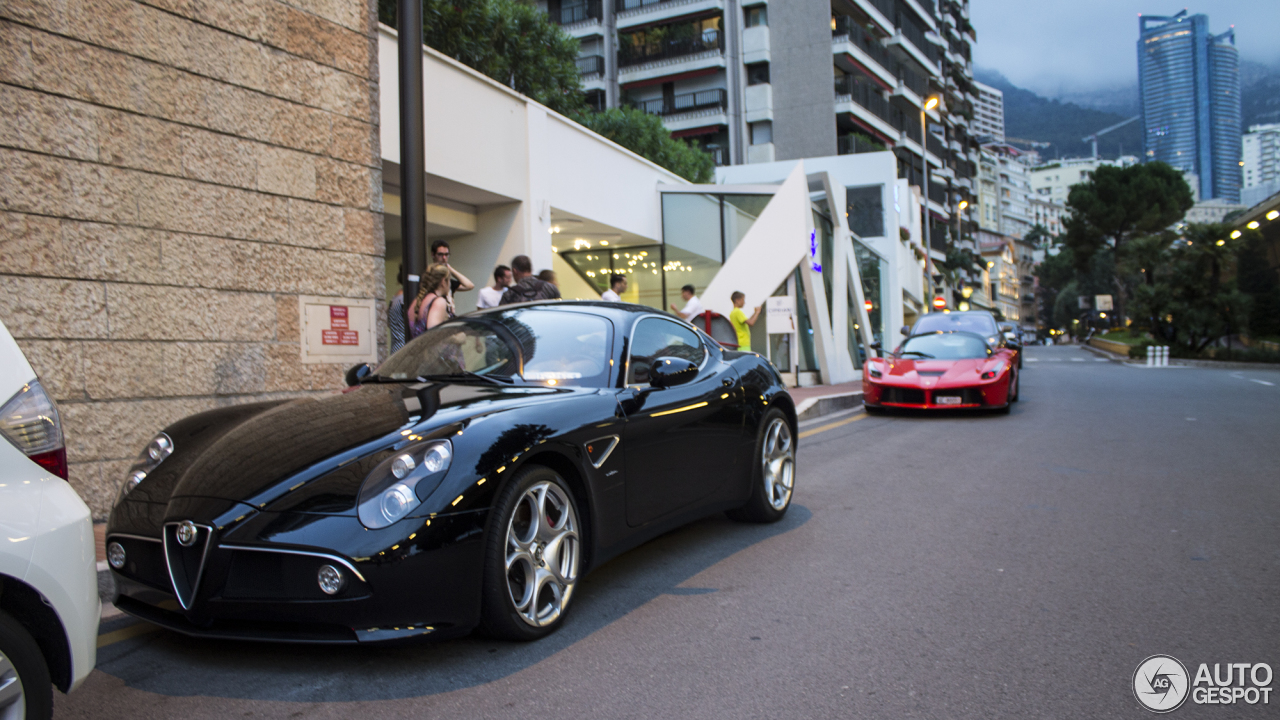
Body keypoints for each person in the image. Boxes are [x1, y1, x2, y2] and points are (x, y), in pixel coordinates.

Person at [407, 263, 454, 338]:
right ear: (443, 281)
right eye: (449, 280)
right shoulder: (438, 302)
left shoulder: (416, 302)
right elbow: (433, 332)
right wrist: (455, 338)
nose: (450, 284)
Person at [431, 240, 475, 309]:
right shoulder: (428, 279)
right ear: (433, 255)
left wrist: (450, 269)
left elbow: (469, 285)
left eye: (446, 255)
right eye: (440, 254)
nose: (444, 258)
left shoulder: (448, 281)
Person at [388, 263, 407, 354]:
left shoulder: (394, 298)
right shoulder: (404, 299)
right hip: (405, 350)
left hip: (395, 350)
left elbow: (389, 323)